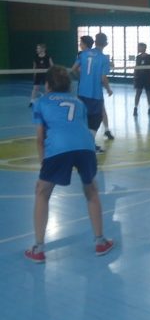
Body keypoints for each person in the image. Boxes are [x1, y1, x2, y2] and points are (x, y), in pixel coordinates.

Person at [25, 65, 114, 262]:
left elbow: (40, 139)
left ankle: (38, 249)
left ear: (47, 85)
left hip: (59, 148)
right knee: (91, 190)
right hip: (86, 147)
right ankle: (100, 242)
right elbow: (79, 128)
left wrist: (44, 164)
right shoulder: (79, 103)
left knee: (42, 192)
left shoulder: (41, 102)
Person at [73, 32, 113, 153]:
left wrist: (82, 78)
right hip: (95, 94)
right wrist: (108, 89)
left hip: (81, 92)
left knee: (84, 117)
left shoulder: (83, 54)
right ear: (106, 44)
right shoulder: (104, 58)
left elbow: (74, 69)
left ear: (95, 42)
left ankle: (83, 143)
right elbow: (103, 78)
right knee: (96, 118)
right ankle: (89, 144)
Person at [133, 42, 150, 116]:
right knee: (138, 93)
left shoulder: (149, 57)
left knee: (148, 93)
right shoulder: (138, 57)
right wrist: (134, 77)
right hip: (139, 78)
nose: (138, 48)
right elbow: (136, 67)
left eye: (139, 47)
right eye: (138, 47)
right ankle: (135, 108)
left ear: (144, 48)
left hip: (147, 78)